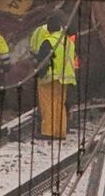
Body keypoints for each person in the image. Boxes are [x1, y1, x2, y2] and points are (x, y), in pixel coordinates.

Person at [34, 12, 77, 140]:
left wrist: (38, 74)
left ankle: (48, 132)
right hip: (65, 78)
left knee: (47, 104)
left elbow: (42, 61)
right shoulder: (68, 42)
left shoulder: (48, 42)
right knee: (60, 104)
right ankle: (60, 132)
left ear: (48, 28)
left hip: (50, 77)